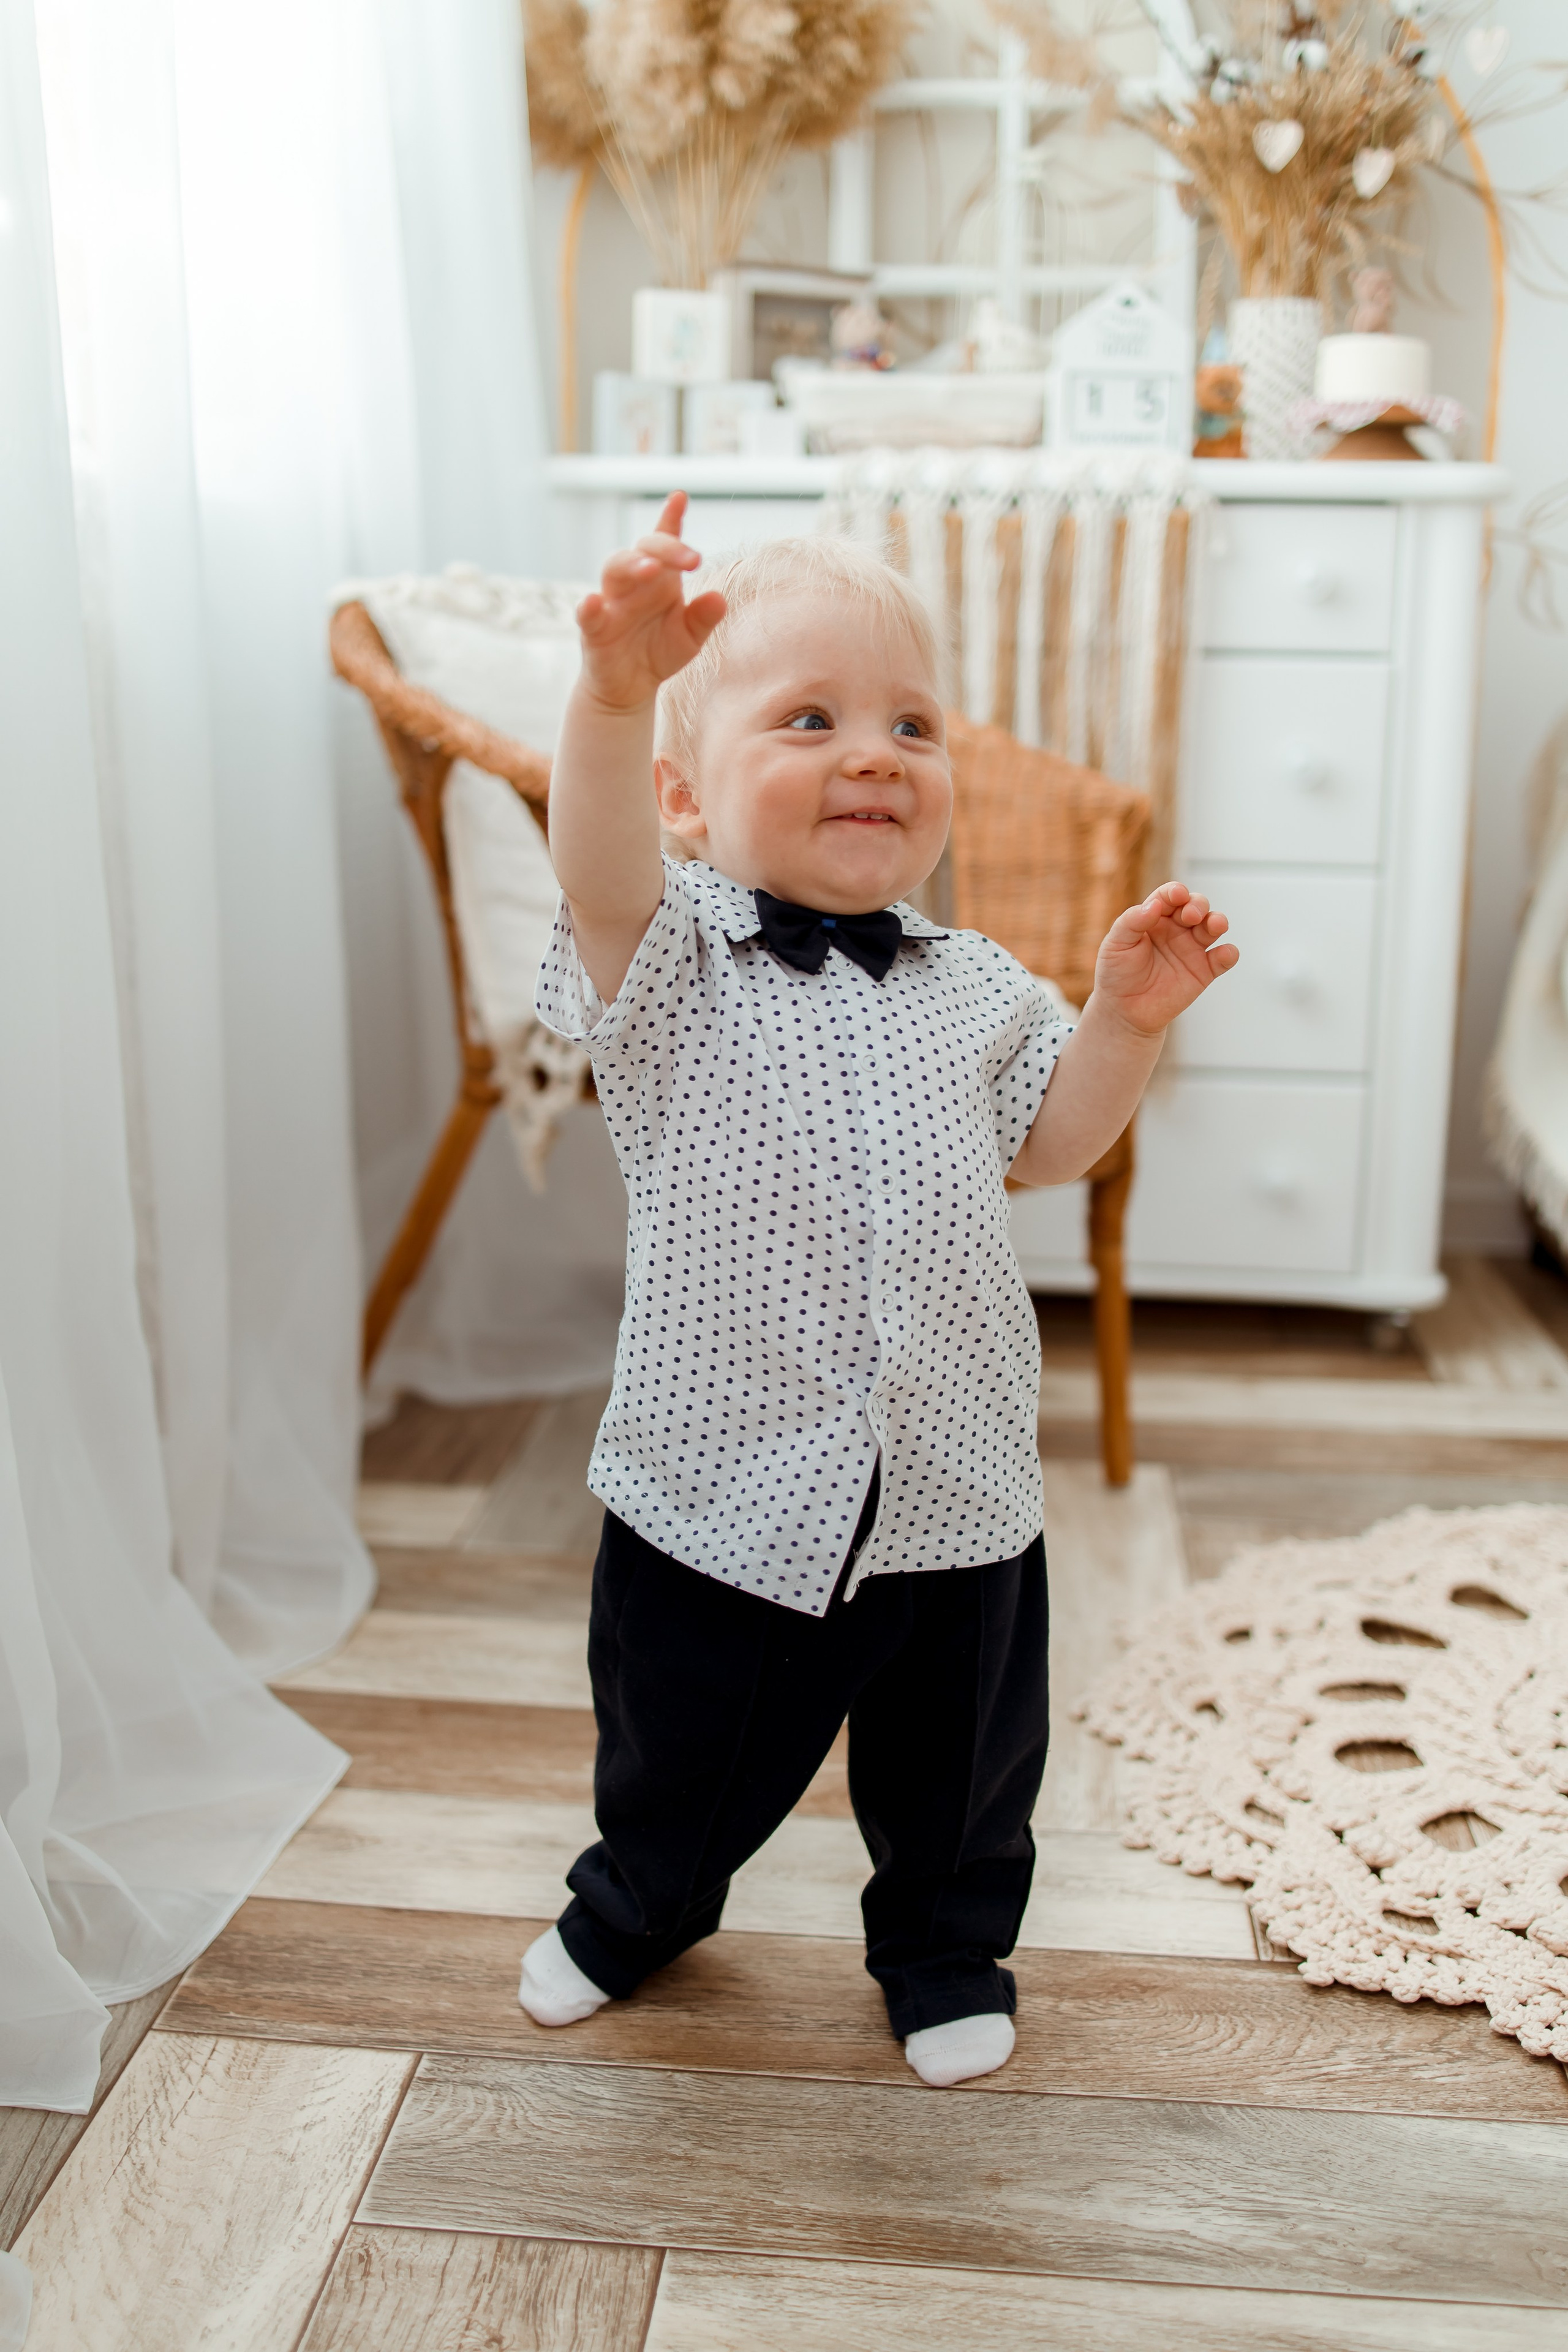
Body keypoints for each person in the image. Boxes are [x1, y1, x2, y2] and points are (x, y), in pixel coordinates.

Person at [521, 492, 1236, 2087]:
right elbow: (593, 856)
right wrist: (614, 688)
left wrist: (1122, 1021)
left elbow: (1051, 1147)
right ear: (687, 801)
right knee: (681, 1751)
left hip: (957, 1485)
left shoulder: (975, 985)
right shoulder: (671, 961)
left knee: (967, 1765)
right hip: (724, 1480)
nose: (876, 752)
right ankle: (634, 1904)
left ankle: (947, 1943)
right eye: (812, 718)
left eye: (914, 723)